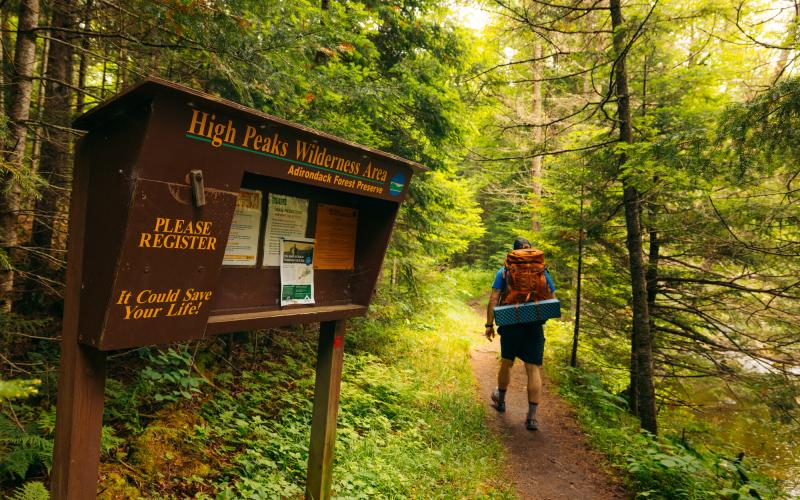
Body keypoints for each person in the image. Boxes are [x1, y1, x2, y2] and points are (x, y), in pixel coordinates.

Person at [484, 237, 556, 431]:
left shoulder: (505, 271)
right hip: (534, 324)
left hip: (510, 322)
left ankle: (501, 401)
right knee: (533, 369)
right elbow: (552, 298)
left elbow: (493, 299)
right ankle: (531, 418)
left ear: (514, 252)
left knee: (507, 362)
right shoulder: (541, 270)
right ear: (530, 251)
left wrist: (489, 324)